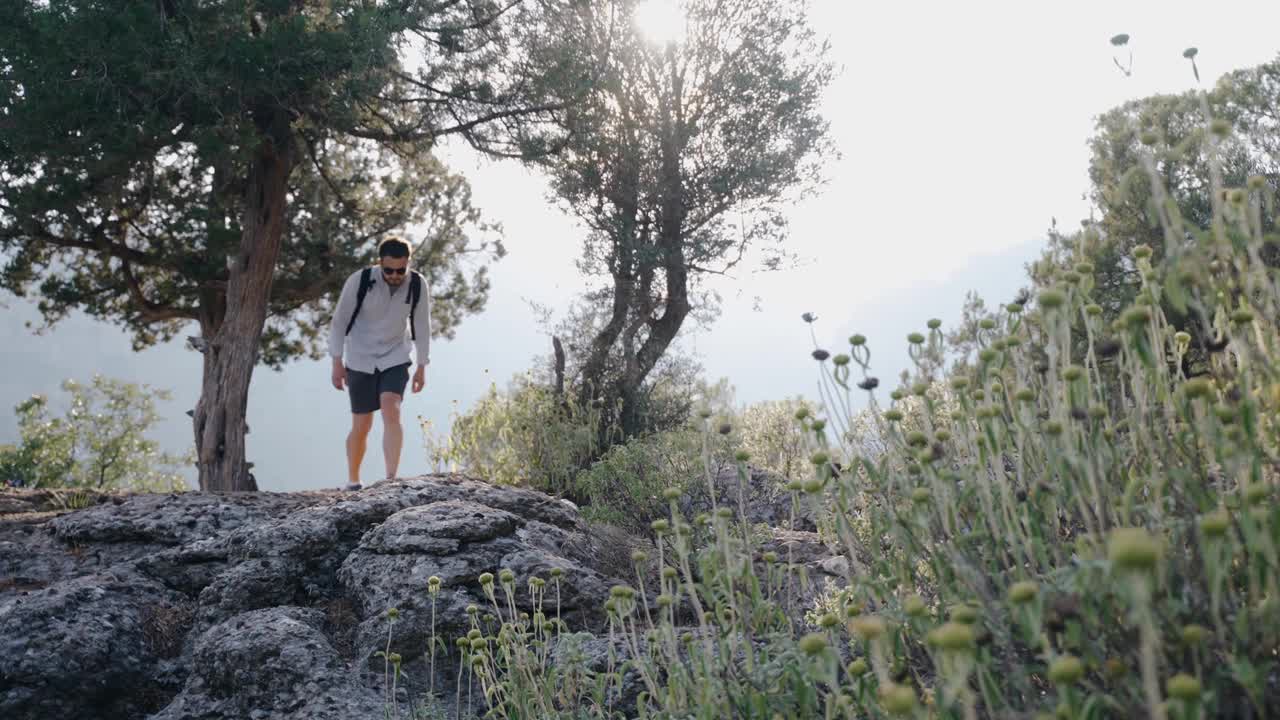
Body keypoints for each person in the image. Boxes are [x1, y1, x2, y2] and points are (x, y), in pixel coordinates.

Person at [327, 236, 431, 491]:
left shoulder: (417, 284)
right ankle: (353, 480)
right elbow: (339, 322)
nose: (395, 275)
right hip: (360, 357)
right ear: (380, 263)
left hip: (395, 355)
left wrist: (421, 366)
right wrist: (336, 362)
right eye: (389, 270)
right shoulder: (360, 281)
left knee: (391, 407)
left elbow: (422, 325)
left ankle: (391, 479)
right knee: (362, 425)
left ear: (408, 263)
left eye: (400, 269)